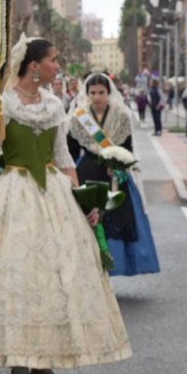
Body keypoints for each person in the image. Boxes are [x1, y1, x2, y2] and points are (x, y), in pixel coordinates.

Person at [0, 37, 132, 374]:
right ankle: (19, 372)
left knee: (55, 280)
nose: (56, 66)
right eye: (52, 60)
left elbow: (65, 157)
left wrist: (82, 200)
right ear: (33, 66)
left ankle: (44, 372)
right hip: (14, 195)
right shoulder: (0, 105)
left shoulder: (54, 105)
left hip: (53, 194)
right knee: (19, 279)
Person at [69, 73, 160, 277]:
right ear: (87, 93)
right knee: (87, 219)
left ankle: (115, 266)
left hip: (114, 175)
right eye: (92, 93)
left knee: (117, 217)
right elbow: (72, 149)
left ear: (109, 93)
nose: (97, 97)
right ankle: (89, 270)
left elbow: (127, 146)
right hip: (88, 171)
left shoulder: (121, 115)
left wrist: (118, 164)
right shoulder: (79, 117)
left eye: (101, 92)